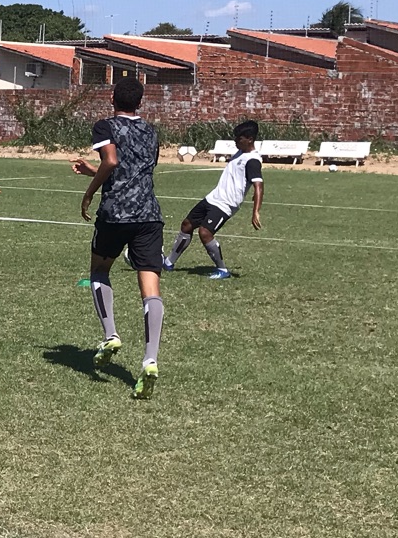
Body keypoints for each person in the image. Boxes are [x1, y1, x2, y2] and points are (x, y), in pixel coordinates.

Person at [76, 75, 165, 397]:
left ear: (113, 98)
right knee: (150, 288)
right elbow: (136, 168)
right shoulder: (151, 131)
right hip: (149, 215)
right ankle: (150, 359)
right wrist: (93, 170)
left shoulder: (105, 126)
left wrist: (89, 191)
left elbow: (111, 161)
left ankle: (111, 334)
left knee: (99, 270)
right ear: (140, 102)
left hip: (115, 214)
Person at [165, 120, 264, 278]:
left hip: (225, 204)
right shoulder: (241, 152)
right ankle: (169, 262)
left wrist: (256, 212)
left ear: (250, 139)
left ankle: (222, 270)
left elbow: (259, 185)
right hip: (213, 198)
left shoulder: (252, 160)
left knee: (205, 233)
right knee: (186, 225)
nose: (235, 141)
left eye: (239, 138)